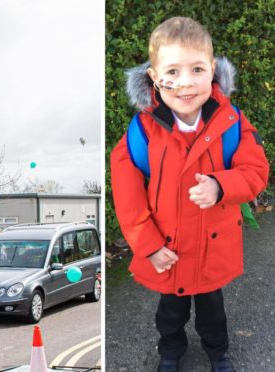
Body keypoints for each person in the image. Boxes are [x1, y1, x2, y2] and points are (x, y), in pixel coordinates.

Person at [110, 17, 269, 372]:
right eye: (172, 71)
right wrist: (148, 245)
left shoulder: (233, 122)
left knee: (213, 308)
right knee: (170, 310)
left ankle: (218, 352)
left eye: (197, 69)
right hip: (169, 248)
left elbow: (256, 171)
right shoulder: (142, 133)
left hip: (213, 246)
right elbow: (128, 197)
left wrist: (221, 185)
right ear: (153, 76)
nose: (185, 83)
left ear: (212, 69)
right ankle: (171, 351)